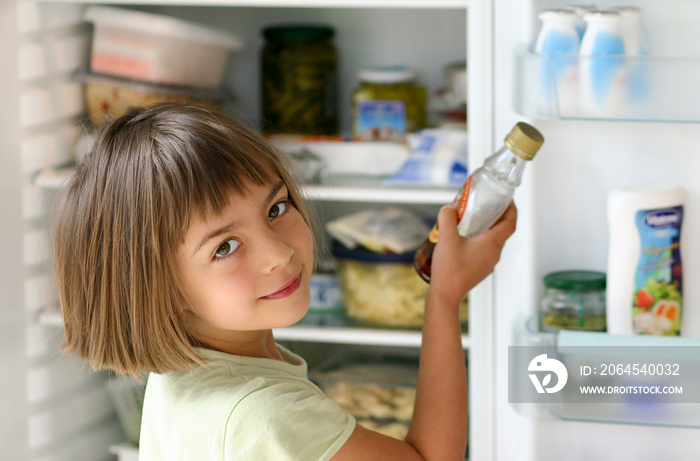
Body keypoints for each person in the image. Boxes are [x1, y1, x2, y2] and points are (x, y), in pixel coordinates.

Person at [53, 103, 517, 461]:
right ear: (152, 286)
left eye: (276, 209)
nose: (280, 254)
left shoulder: (180, 377)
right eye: (224, 247)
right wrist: (445, 294)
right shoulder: (267, 414)